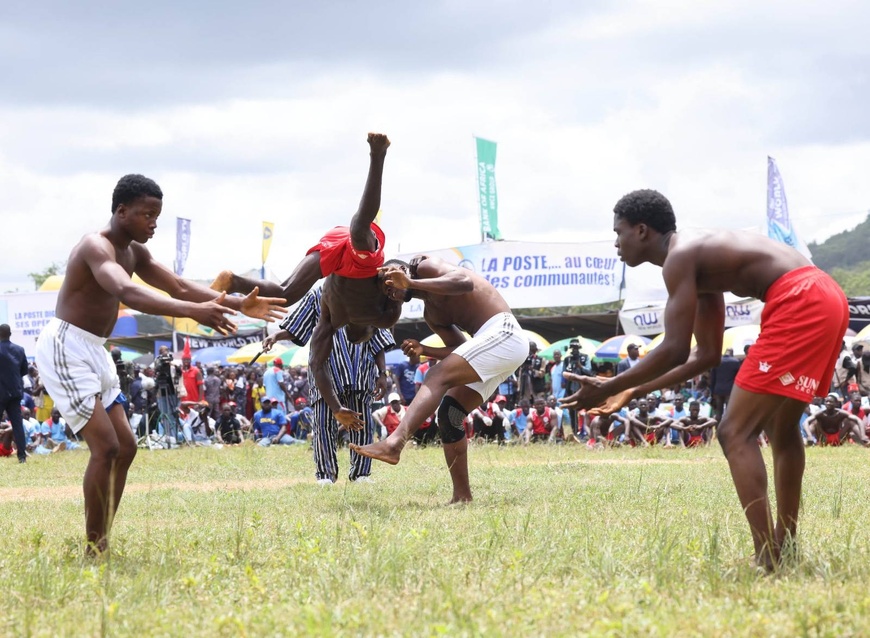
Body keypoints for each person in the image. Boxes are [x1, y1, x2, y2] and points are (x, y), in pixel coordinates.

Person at [562, 188, 849, 570]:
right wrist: (633, 389)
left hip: (798, 297)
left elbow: (674, 349)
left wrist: (610, 385)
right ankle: (784, 545)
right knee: (783, 428)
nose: (616, 243)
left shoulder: (678, 258)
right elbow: (706, 354)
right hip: (826, 293)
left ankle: (768, 557)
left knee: (734, 432)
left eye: (619, 232)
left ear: (642, 231)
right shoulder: (697, 261)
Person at [33, 174, 285, 555]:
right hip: (66, 346)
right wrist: (196, 312)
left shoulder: (136, 252)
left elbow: (180, 287)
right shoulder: (95, 246)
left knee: (127, 447)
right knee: (105, 448)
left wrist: (234, 303)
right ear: (121, 211)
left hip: (96, 349)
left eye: (157, 216)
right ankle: (94, 547)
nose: (153, 223)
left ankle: (100, 540)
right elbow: (127, 291)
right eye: (147, 215)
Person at [210, 133, 403, 426]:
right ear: (368, 331)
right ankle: (378, 155)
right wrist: (399, 280)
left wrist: (337, 408)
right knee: (360, 227)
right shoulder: (366, 319)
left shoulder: (336, 318)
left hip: (337, 253)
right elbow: (402, 287)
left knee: (287, 292)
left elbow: (316, 365)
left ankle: (234, 280)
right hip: (360, 263)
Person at [350, 255, 529, 502]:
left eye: (390, 280)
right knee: (449, 414)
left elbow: (464, 281)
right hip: (496, 346)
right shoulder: (432, 315)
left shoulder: (424, 267)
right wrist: (426, 350)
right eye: (385, 290)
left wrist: (411, 282)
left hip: (505, 333)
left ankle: (394, 443)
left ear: (402, 269)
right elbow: (460, 348)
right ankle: (462, 496)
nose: (390, 289)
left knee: (436, 375)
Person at [265, 287, 393, 483]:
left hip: (360, 370)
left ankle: (361, 473)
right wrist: (276, 336)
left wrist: (382, 373)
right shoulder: (318, 294)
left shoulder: (366, 291)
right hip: (325, 369)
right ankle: (325, 475)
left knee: (361, 423)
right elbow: (296, 327)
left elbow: (377, 336)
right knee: (323, 423)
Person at [0, 324, 30, 463]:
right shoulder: (19, 349)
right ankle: (22, 457)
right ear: (10, 334)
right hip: (15, 392)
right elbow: (24, 370)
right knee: (17, 425)